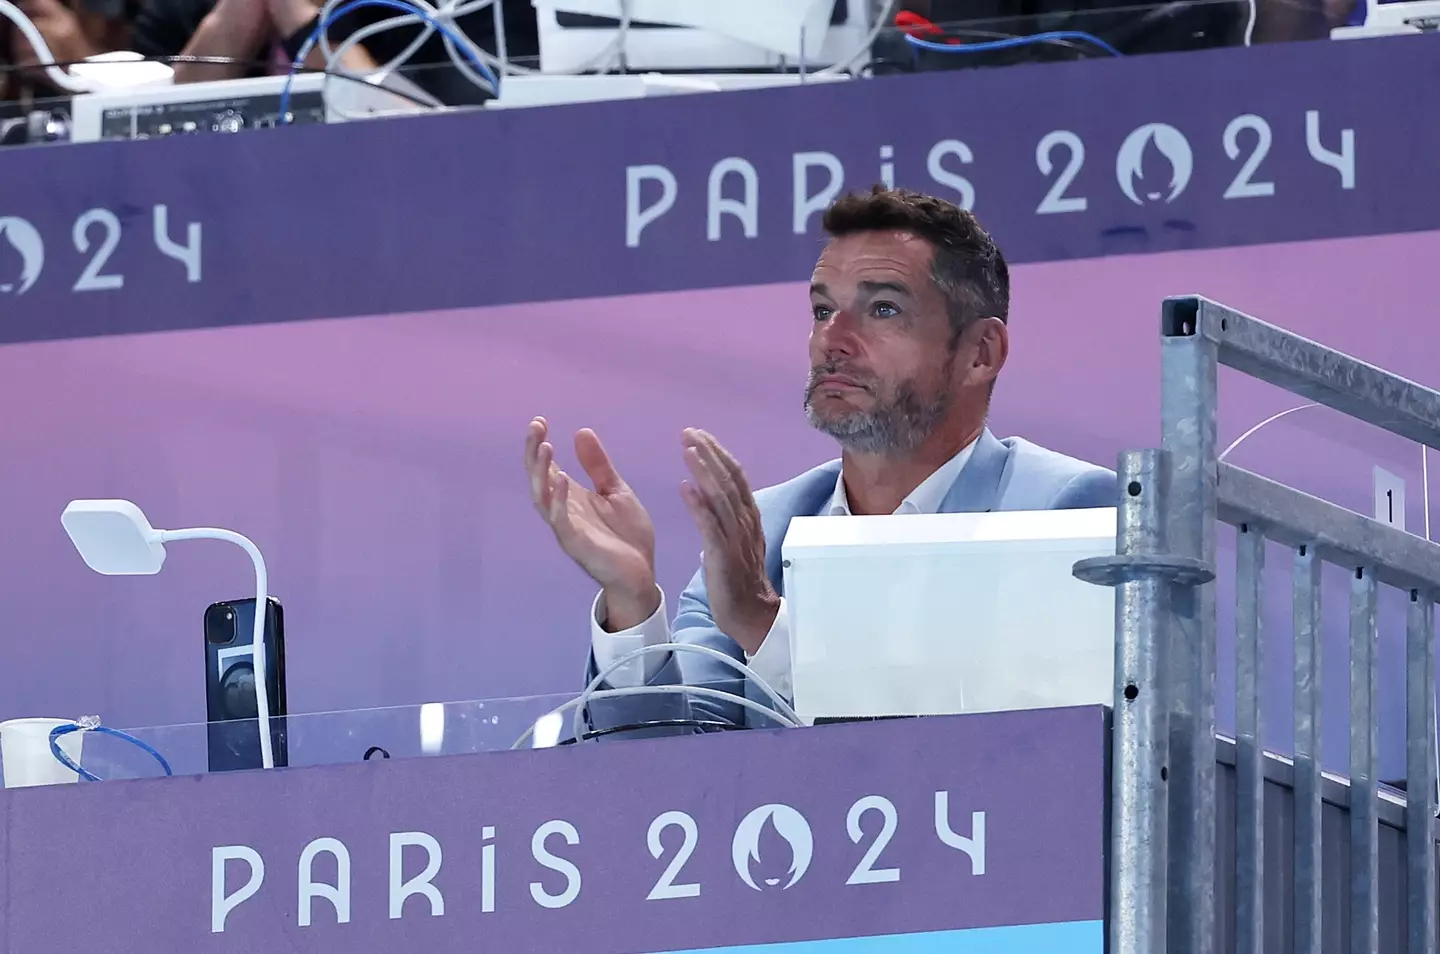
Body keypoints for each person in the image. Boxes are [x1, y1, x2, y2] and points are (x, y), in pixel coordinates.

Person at [523, 186, 1117, 738]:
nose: (834, 339)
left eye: (883, 309)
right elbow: (671, 782)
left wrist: (765, 625)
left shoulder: (1067, 511)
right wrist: (632, 606)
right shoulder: (765, 529)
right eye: (822, 310)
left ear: (980, 353)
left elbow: (1022, 762)